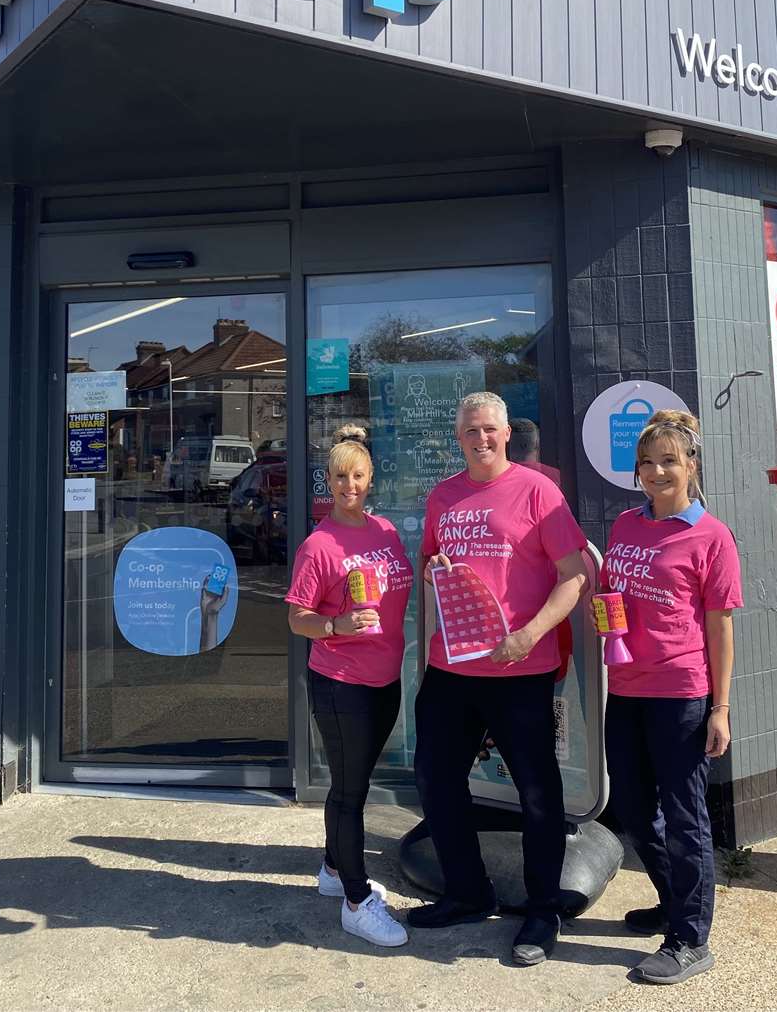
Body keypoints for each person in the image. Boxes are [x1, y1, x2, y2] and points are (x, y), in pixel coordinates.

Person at [411, 392, 589, 967]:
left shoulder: (539, 492)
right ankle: (467, 892)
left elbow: (574, 577)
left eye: (488, 429)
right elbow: (430, 564)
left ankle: (543, 909)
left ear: (508, 433)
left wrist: (530, 635)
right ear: (458, 437)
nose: (480, 439)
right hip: (450, 665)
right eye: (469, 432)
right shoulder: (444, 496)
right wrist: (434, 568)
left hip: (520, 668)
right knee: (437, 782)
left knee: (538, 794)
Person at [602, 408, 743, 985]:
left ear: (691, 465)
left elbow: (720, 627)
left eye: (669, 461)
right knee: (634, 810)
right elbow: (615, 597)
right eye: (647, 463)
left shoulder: (710, 536)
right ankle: (671, 899)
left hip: (680, 692)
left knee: (686, 818)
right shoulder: (625, 527)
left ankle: (690, 936)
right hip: (627, 689)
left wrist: (721, 708)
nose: (657, 471)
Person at [285, 425, 414, 948]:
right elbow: (298, 618)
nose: (349, 485)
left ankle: (333, 869)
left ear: (370, 478)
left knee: (353, 780)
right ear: (329, 481)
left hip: (385, 676)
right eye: (340, 477)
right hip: (342, 683)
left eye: (358, 475)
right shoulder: (319, 545)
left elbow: (399, 584)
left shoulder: (383, 530)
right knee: (349, 790)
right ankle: (357, 902)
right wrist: (336, 626)